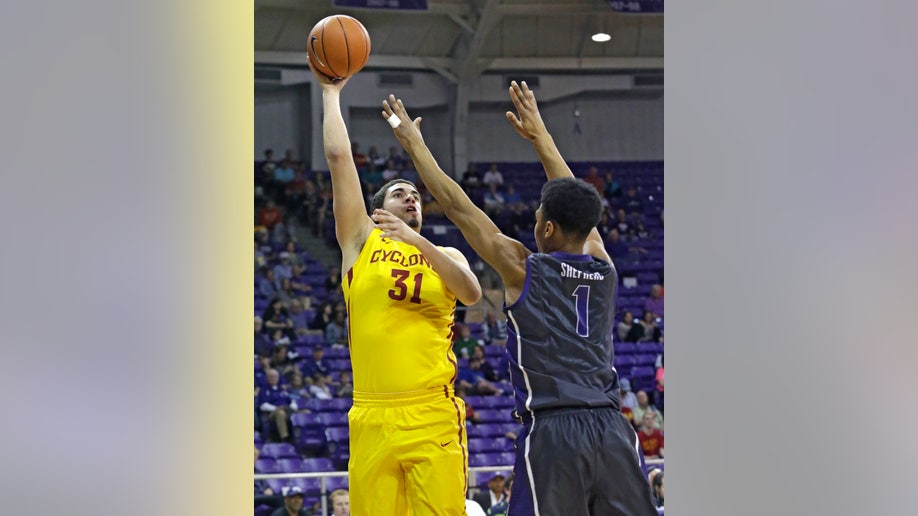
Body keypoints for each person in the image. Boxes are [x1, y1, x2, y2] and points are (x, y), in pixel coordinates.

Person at [382, 80, 656, 515]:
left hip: (555, 432)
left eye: (538, 216)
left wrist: (414, 145)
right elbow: (579, 206)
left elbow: (458, 207)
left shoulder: (525, 268)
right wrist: (542, 137)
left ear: (546, 228)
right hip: (613, 430)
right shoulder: (604, 267)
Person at [310, 61, 482, 516]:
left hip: (431, 412)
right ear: (376, 210)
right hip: (372, 412)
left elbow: (471, 294)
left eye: (416, 196)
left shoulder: (446, 253)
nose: (411, 198)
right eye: (399, 194)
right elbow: (339, 160)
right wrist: (330, 94)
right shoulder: (359, 241)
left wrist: (417, 241)